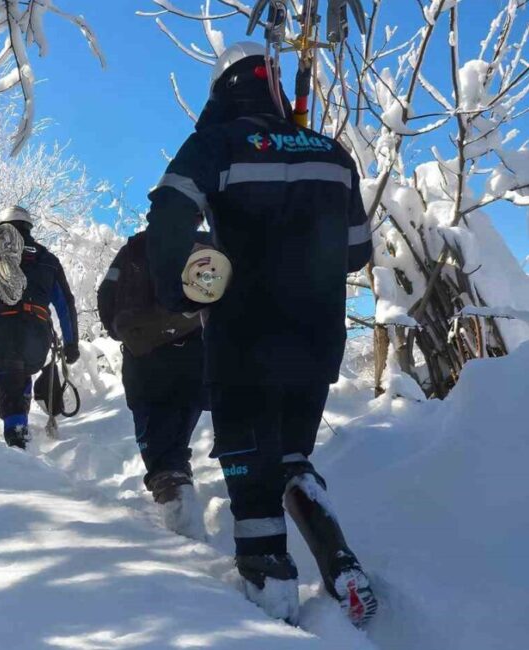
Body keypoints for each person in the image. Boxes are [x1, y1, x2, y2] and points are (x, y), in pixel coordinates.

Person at [143, 42, 377, 626]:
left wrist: (179, 289)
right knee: (294, 455)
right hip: (316, 339)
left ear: (224, 91)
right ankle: (341, 561)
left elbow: (168, 215)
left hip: (243, 338)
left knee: (249, 467)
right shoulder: (332, 153)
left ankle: (272, 597)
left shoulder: (216, 144)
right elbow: (357, 252)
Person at [98, 231, 208, 534]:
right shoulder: (209, 245)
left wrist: (124, 331)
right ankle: (183, 503)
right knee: (176, 441)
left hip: (144, 357)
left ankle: (184, 527)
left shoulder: (135, 248)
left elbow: (106, 295)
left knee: (160, 453)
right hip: (197, 356)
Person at [0, 206, 80, 449]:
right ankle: (19, 423)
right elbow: (66, 303)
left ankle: (16, 438)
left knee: (6, 377)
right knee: (19, 375)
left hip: (3, 330)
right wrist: (71, 343)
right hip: (38, 334)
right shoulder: (48, 259)